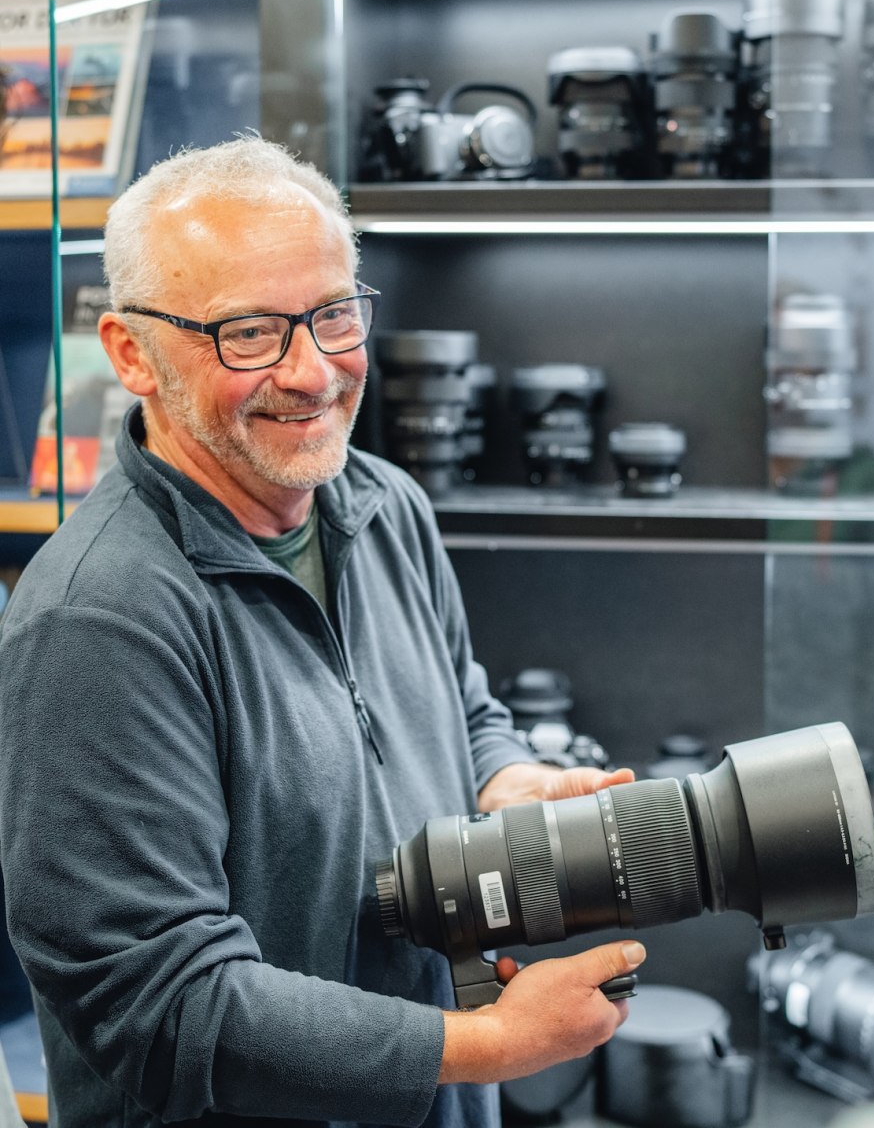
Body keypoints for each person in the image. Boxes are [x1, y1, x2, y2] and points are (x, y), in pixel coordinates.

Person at [0, 136, 644, 1128]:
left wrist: (504, 777)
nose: (312, 371)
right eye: (249, 332)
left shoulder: (384, 505)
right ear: (132, 352)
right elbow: (163, 1006)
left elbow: (460, 704)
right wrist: (491, 1047)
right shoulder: (96, 620)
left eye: (334, 315)